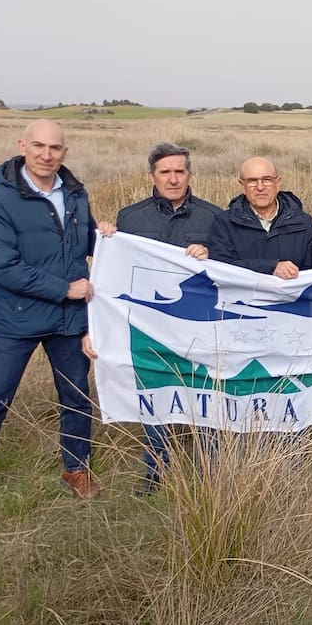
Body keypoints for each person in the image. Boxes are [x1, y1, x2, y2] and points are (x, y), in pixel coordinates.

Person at [0, 120, 103, 522]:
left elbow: (83, 240)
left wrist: (104, 236)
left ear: (64, 152)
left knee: (75, 397)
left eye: (55, 147)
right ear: (22, 146)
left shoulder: (74, 191)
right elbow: (3, 268)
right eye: (38, 146)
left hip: (68, 321)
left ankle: (75, 468)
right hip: (16, 319)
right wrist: (64, 289)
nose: (46, 154)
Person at [107, 142, 221, 493]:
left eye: (179, 171)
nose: (173, 179)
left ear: (189, 174)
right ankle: (155, 470)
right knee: (156, 393)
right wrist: (106, 239)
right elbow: (119, 270)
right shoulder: (131, 217)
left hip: (198, 326)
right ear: (152, 176)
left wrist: (211, 252)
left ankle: (209, 472)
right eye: (165, 172)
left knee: (206, 394)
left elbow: (228, 270)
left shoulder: (213, 217)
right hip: (150, 325)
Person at [208, 157, 312, 278]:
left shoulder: (303, 223)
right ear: (243, 186)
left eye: (267, 180)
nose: (260, 187)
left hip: (290, 296)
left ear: (278, 183)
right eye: (252, 181)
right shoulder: (224, 223)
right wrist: (271, 267)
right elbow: (221, 268)